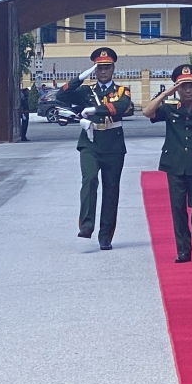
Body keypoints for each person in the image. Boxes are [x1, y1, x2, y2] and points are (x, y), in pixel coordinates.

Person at [57, 47, 132, 251]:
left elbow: (123, 107)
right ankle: (86, 225)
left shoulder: (121, 91)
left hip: (113, 145)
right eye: (99, 68)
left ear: (113, 68)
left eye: (107, 67)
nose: (103, 71)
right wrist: (79, 78)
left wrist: (95, 109)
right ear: (94, 69)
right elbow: (60, 96)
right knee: (89, 179)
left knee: (111, 189)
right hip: (90, 142)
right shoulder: (86, 91)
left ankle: (105, 235)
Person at [143, 64, 192, 264]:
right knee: (178, 208)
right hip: (174, 165)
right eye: (183, 87)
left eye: (191, 86)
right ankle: (183, 249)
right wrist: (169, 93)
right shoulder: (170, 109)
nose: (188, 90)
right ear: (178, 88)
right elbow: (147, 112)